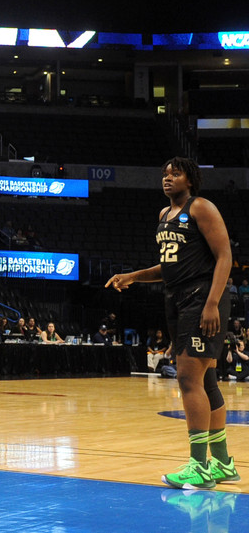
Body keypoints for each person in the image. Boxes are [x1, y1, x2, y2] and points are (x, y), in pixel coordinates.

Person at [106, 156, 237, 489]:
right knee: (205, 381)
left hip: (202, 298)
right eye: (164, 174)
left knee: (187, 378)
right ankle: (222, 462)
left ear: (189, 180)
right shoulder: (164, 216)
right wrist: (134, 276)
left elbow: (225, 256)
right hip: (177, 299)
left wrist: (211, 304)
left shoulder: (201, 208)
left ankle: (200, 466)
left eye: (175, 174)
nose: (167, 179)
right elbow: (169, 268)